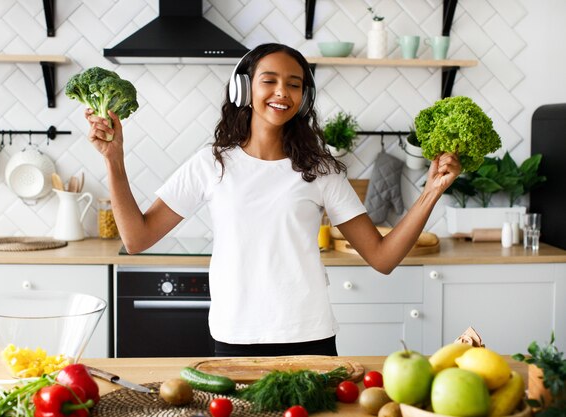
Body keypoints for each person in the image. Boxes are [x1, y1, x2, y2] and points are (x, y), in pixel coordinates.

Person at [85, 43, 461, 357]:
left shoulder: (320, 170)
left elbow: (382, 257)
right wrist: (114, 160)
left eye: (294, 84)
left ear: (304, 97)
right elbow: (136, 239)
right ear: (243, 90)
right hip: (235, 338)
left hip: (309, 338)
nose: (283, 92)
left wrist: (431, 191)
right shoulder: (210, 163)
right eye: (270, 80)